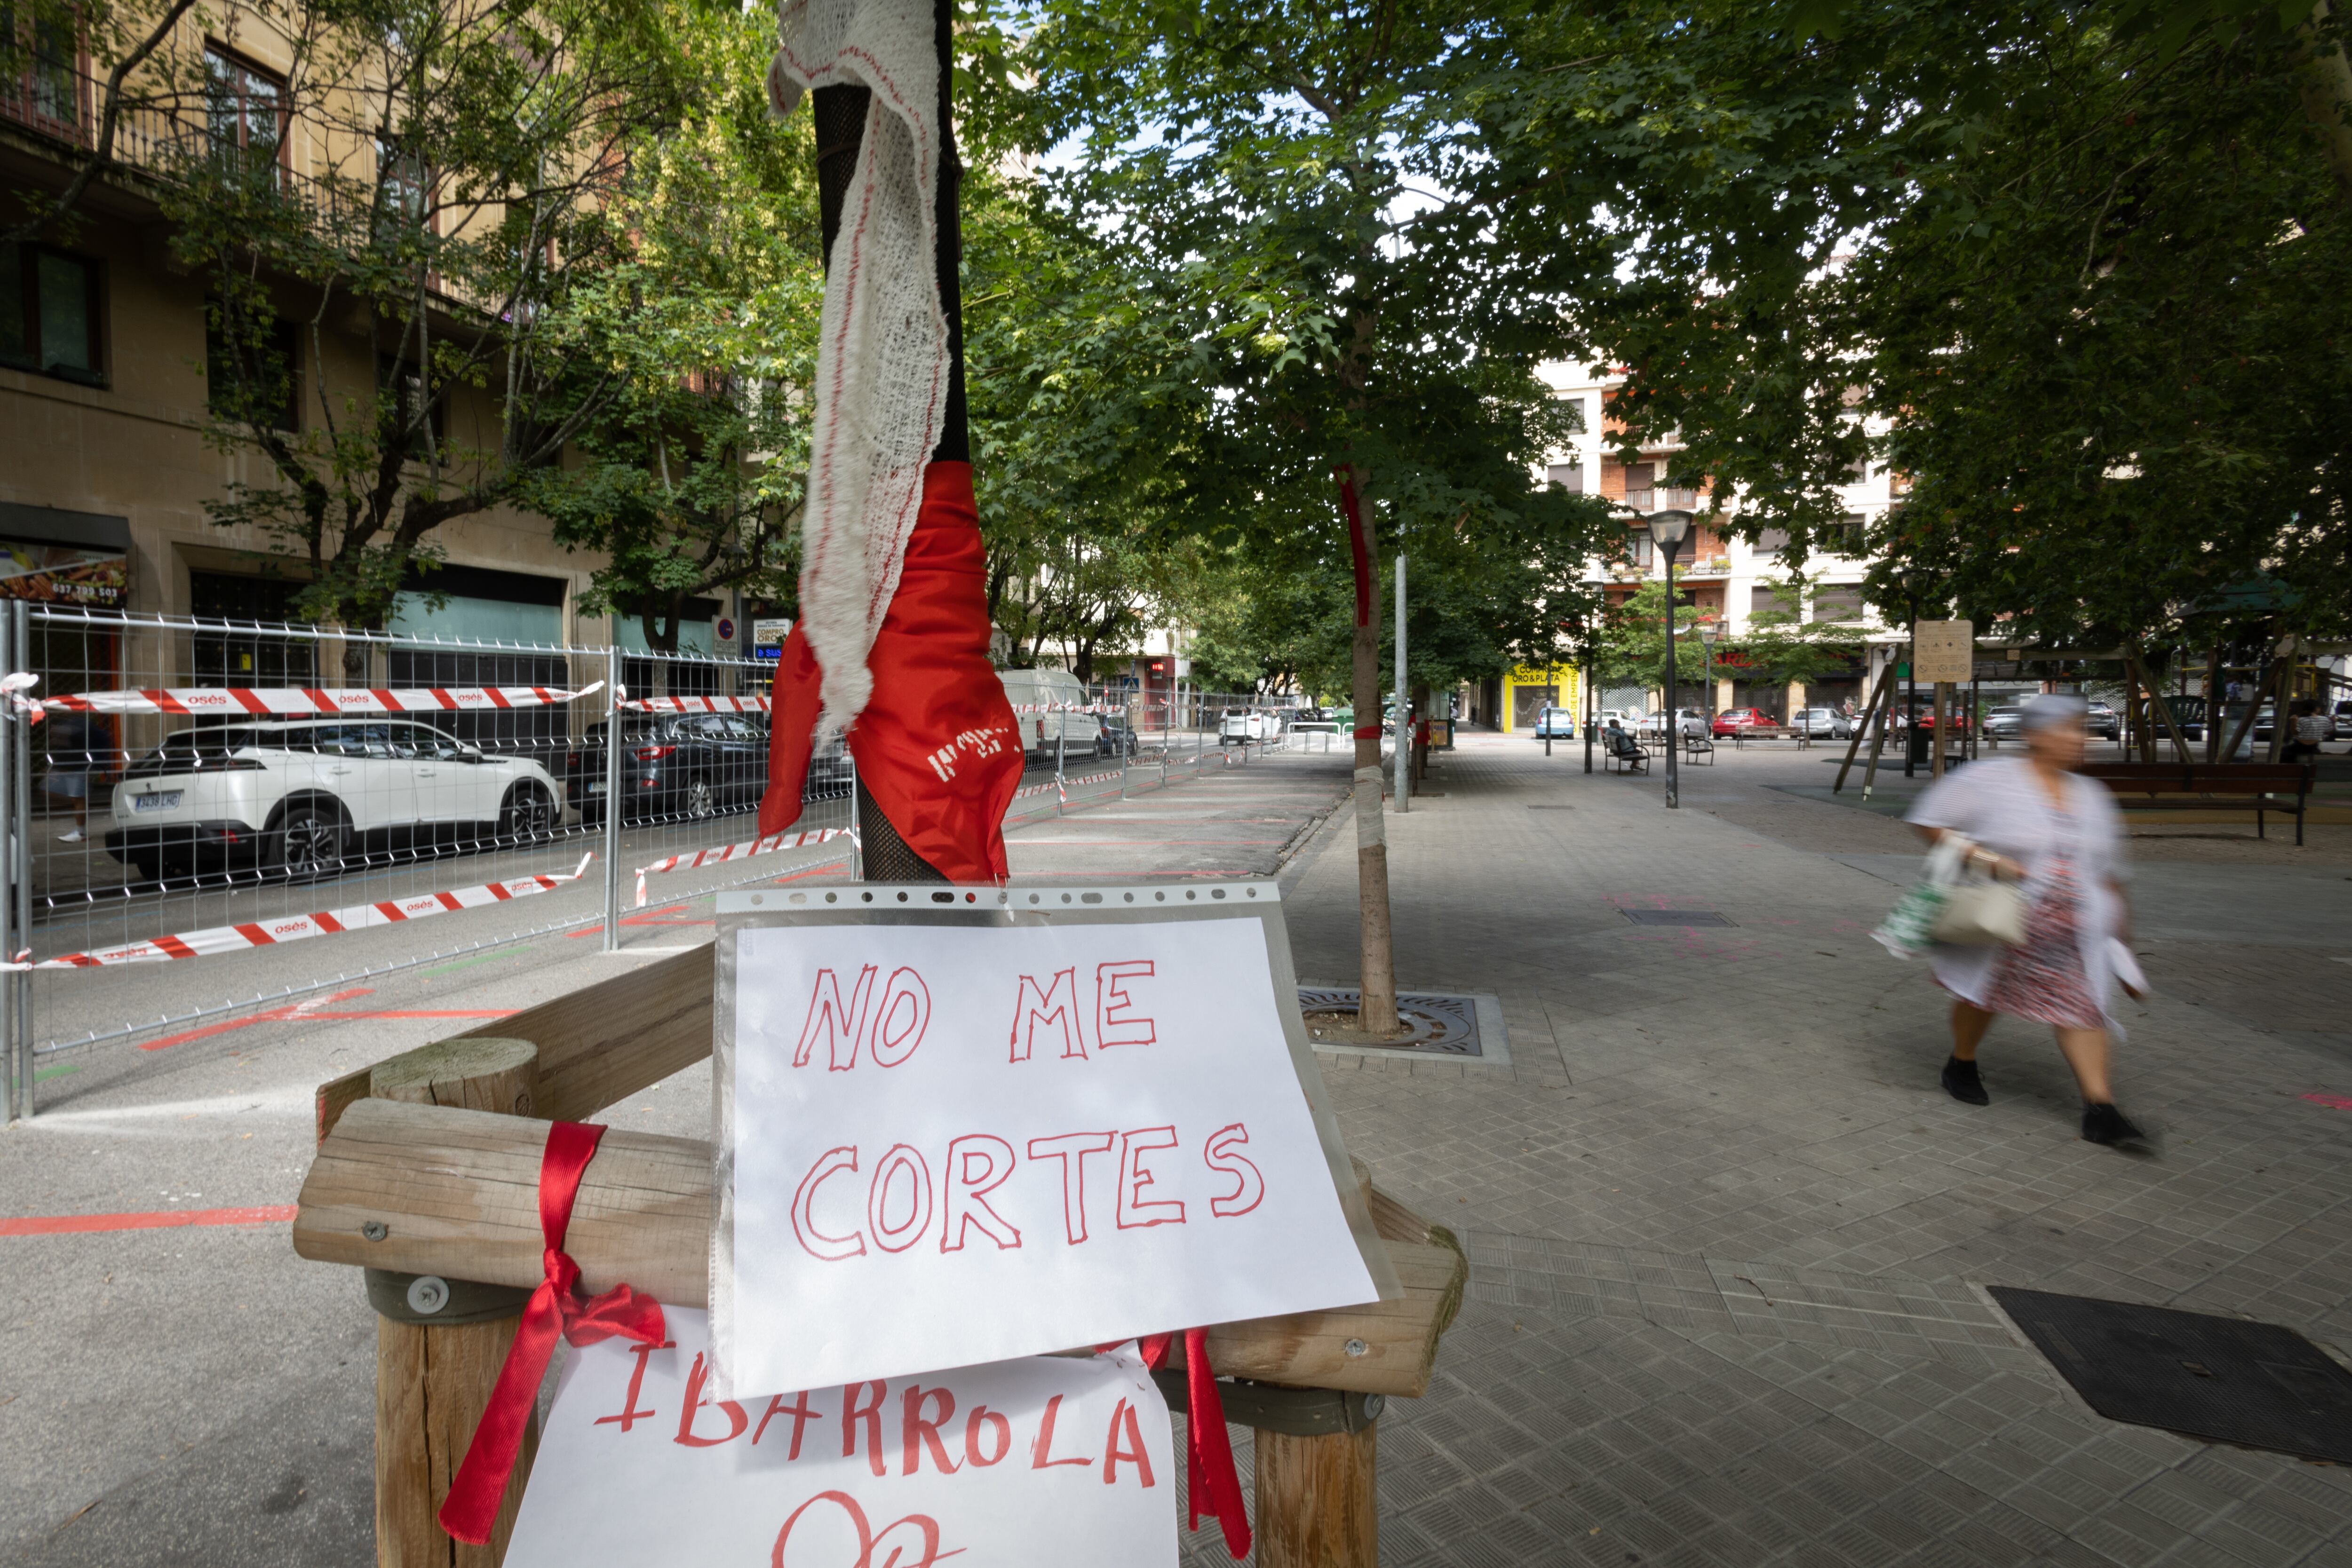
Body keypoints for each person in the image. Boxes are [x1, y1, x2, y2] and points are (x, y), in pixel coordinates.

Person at [1906, 694, 2146, 1145]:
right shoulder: (1987, 778)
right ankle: (1962, 1061)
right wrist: (1985, 857)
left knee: (2084, 1007)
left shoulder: (2092, 795)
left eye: (2083, 730)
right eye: (2071, 729)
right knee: (1983, 997)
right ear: (2036, 734)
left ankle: (2101, 1108)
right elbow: (1928, 822)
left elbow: (2111, 872)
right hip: (2003, 919)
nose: (2082, 740)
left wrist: (2124, 942)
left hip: (2074, 934)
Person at [41, 708, 104, 843]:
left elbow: (75, 738)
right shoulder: (71, 723)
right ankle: (80, 825)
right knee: (52, 791)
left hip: (79, 766)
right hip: (69, 766)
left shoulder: (80, 724)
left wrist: (59, 732)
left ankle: (81, 832)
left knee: (78, 799)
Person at [2284, 698, 2328, 763]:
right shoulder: (2325, 719)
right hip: (2315, 746)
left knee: (2284, 752)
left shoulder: (2302, 720)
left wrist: (2293, 722)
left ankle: (2292, 767)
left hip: (2300, 746)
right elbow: (2328, 731)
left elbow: (2294, 732)